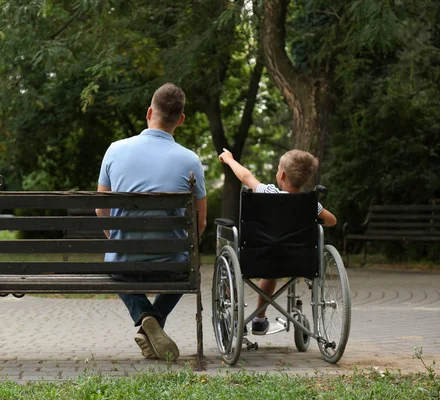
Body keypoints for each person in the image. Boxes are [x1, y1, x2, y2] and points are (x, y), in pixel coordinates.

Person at [96, 83, 207, 361]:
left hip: (125, 262)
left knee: (115, 264)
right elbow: (200, 222)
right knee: (188, 268)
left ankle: (146, 316)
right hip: (172, 265)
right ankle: (153, 322)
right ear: (180, 120)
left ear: (149, 112)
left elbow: (101, 210)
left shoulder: (115, 150)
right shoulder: (191, 160)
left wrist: (120, 243)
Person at [218, 148, 337, 334]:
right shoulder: (311, 203)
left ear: (281, 174)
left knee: (234, 266)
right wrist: (314, 219)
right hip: (299, 261)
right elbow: (332, 220)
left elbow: (245, 176)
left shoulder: (268, 192)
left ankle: (234, 315)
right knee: (272, 267)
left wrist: (229, 159)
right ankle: (258, 320)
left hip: (259, 257)